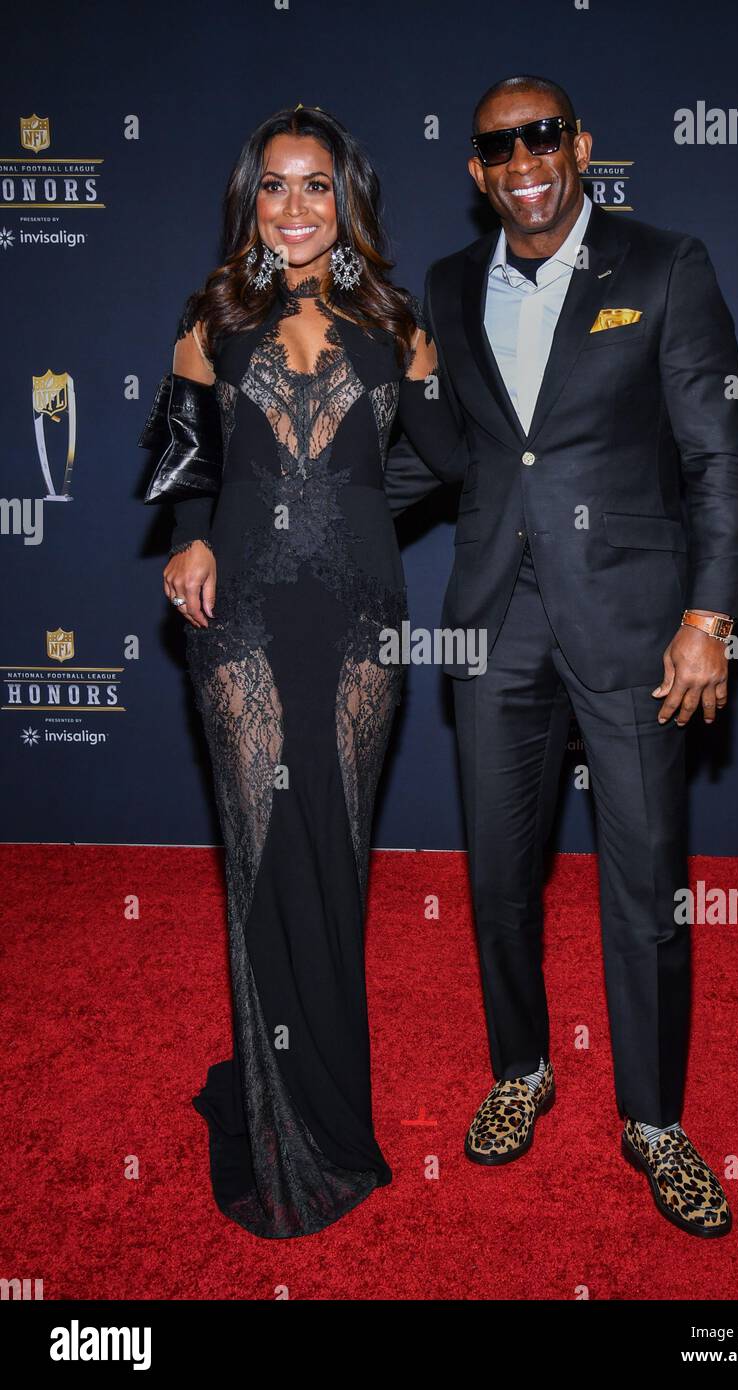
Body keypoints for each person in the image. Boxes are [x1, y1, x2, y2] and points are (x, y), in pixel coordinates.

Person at [385, 74, 738, 1237]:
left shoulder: (663, 264)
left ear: (580, 145)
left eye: (541, 136)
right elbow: (452, 454)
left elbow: (717, 461)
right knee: (497, 873)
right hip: (494, 617)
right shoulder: (446, 287)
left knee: (643, 885)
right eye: (498, 146)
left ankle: (651, 1120)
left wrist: (709, 617)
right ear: (477, 171)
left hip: (638, 624)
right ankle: (519, 1069)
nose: (523, 160)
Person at [140, 104, 465, 1238]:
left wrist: (357, 505)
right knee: (262, 851)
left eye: (314, 185)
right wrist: (194, 531)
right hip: (240, 616)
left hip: (361, 613)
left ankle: (333, 1109)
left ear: (347, 197)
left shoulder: (396, 321)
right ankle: (284, 1132)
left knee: (333, 851)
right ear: (250, 199)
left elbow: (455, 457)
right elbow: (184, 460)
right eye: (272, 186)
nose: (292, 207)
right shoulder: (211, 316)